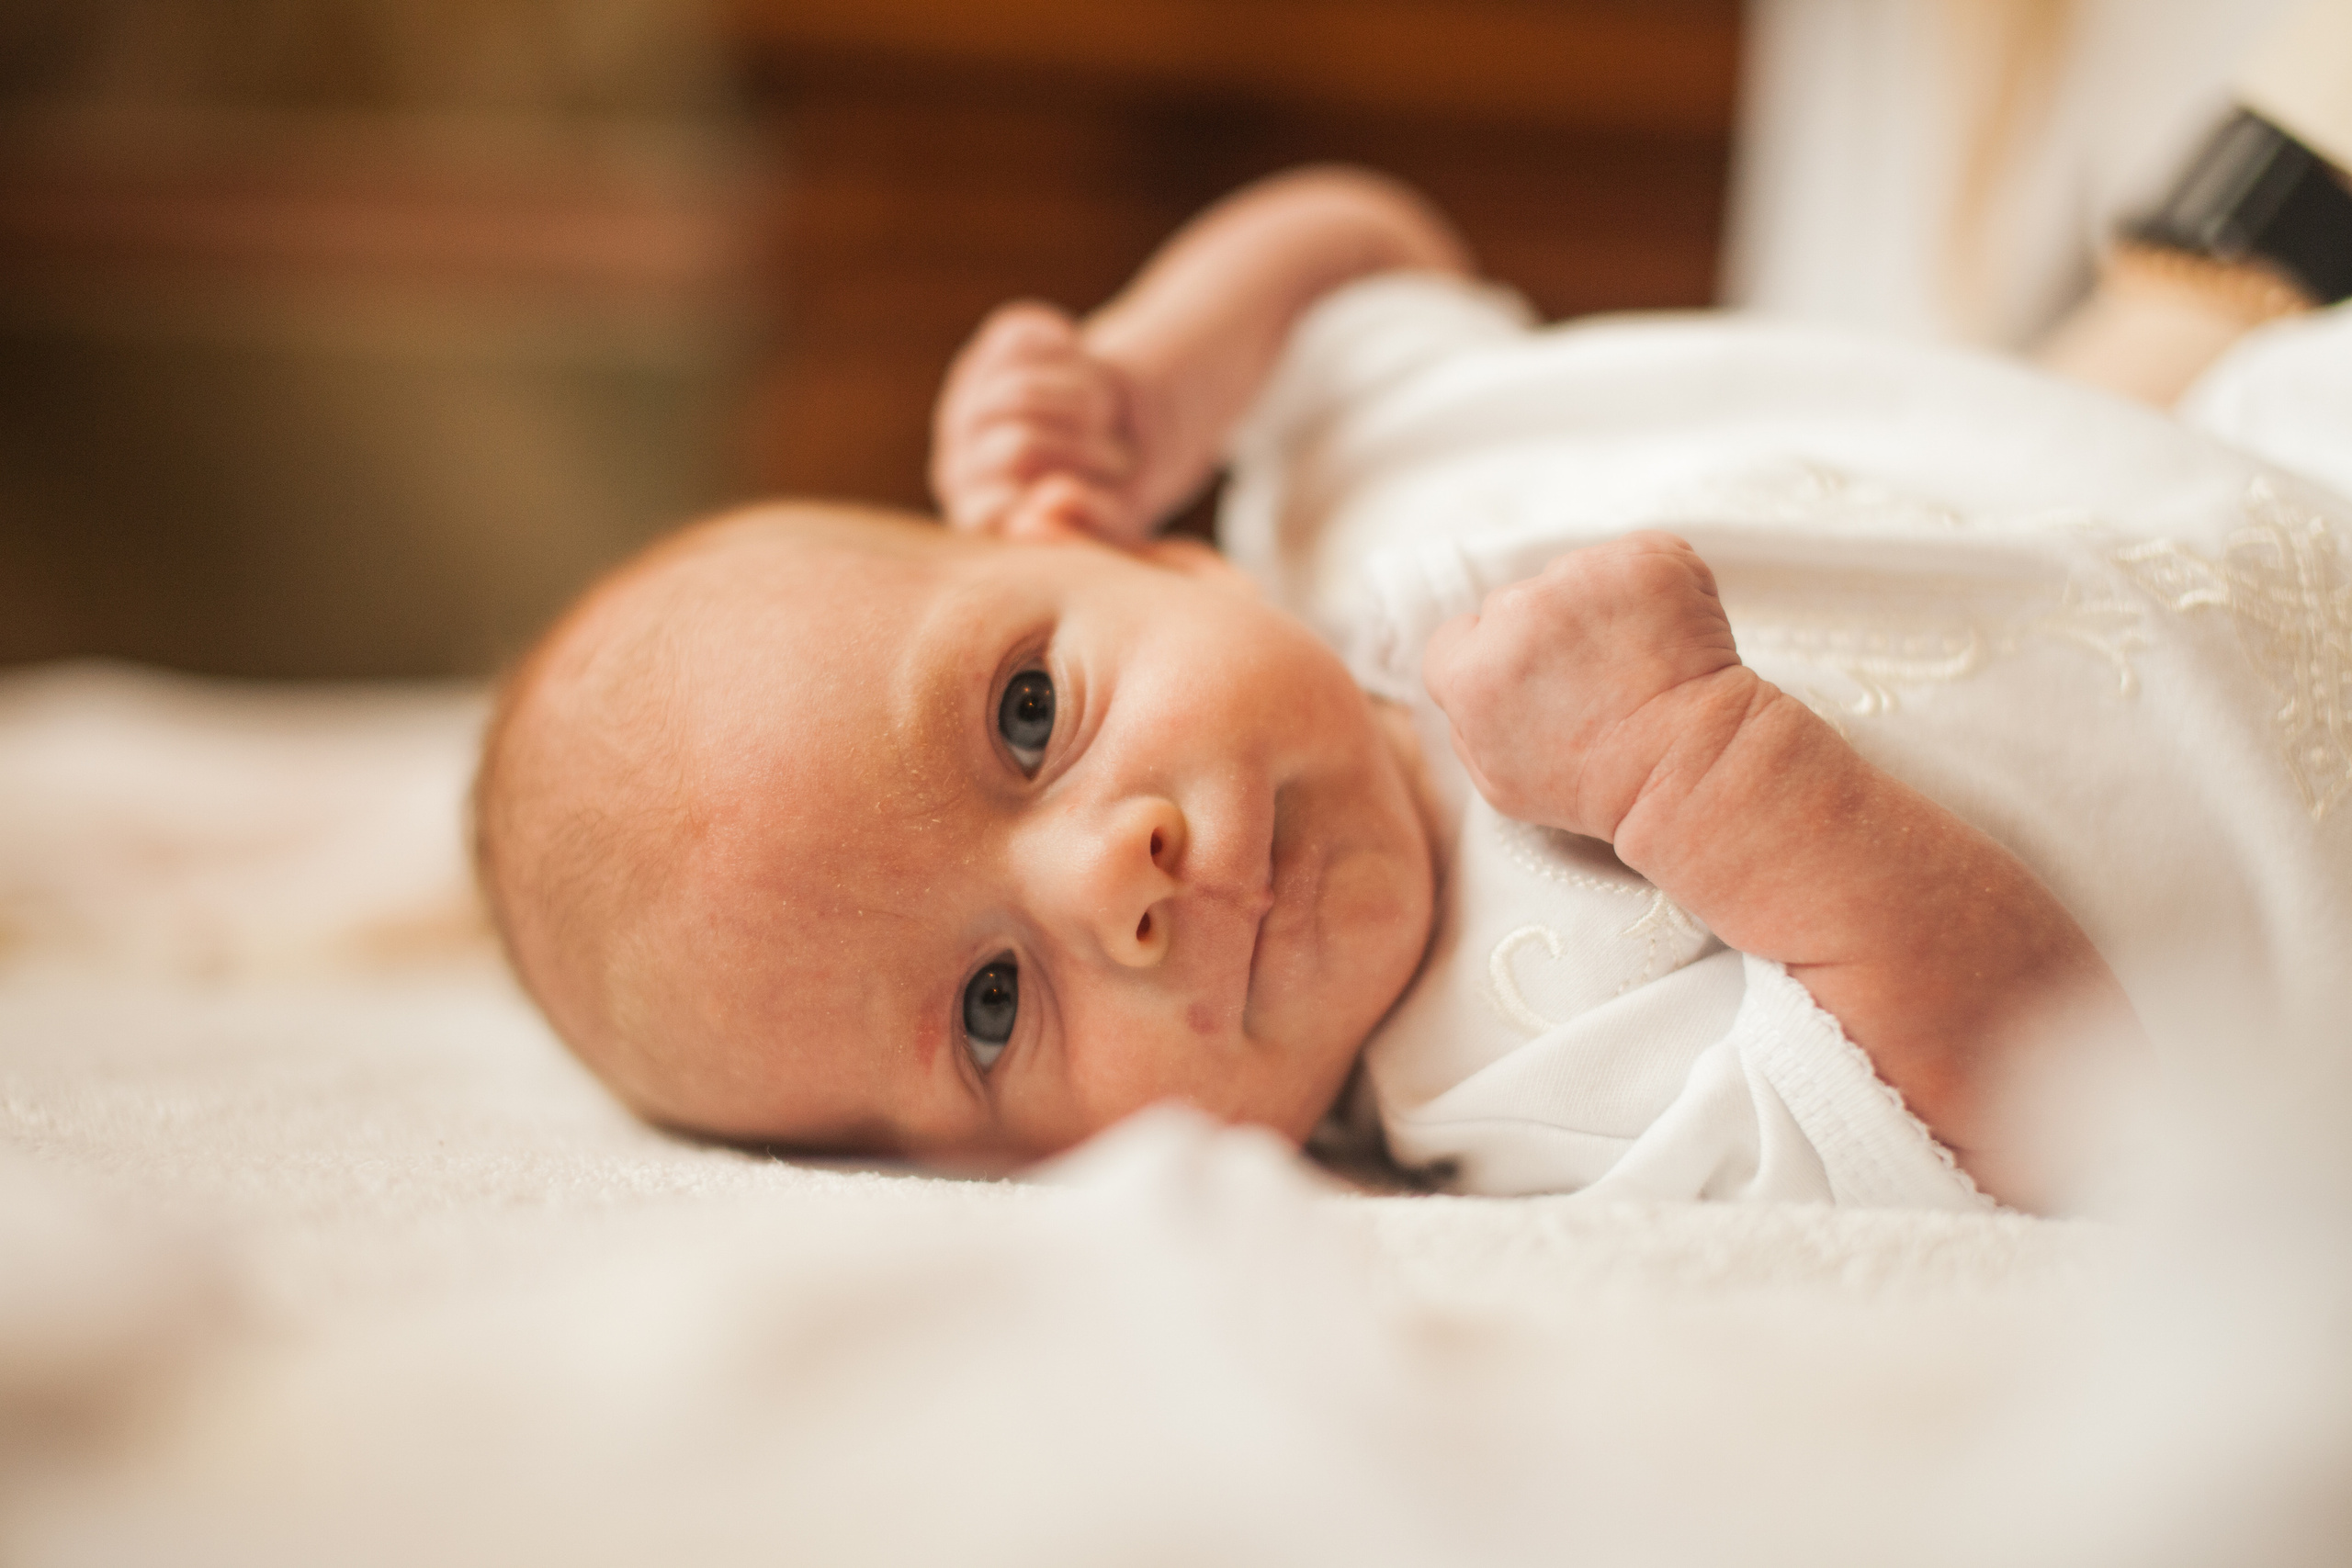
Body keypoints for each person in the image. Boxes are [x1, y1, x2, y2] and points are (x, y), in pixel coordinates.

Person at [474, 167, 2352, 1216]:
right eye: (992, 1005)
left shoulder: (1340, 480)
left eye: (1027, 718)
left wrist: (1159, 369)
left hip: (2285, 440)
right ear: (1031, 1177)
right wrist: (1702, 770)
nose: (1112, 877)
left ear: (1141, 554)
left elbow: (1365, 257)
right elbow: (2036, 1110)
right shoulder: (1517, 1092)